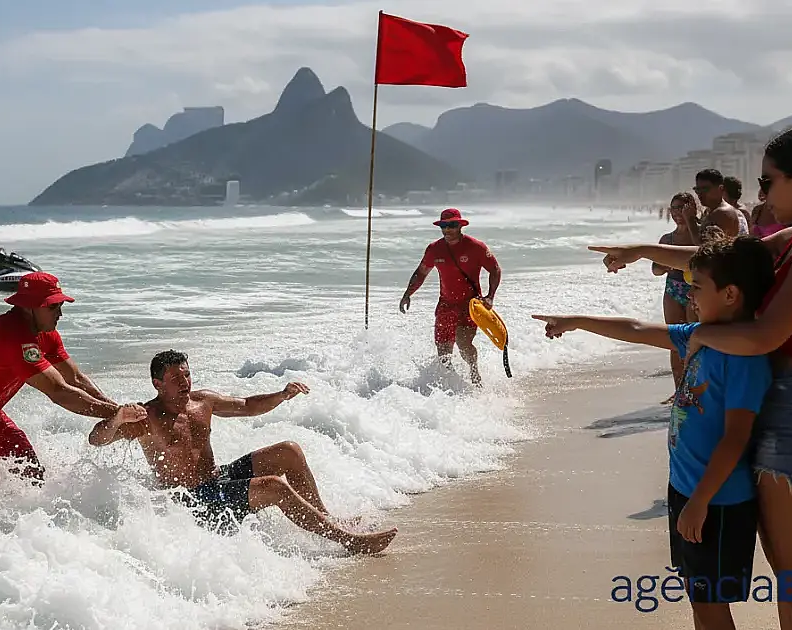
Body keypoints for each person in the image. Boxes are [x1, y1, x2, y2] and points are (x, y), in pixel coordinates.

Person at [587, 125, 792, 630]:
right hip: (789, 412)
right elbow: (723, 265)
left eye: (767, 180)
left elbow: (764, 335)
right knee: (791, 585)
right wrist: (644, 249)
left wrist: (700, 336)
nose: (761, 193)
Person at [534, 236, 775, 629]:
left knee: (712, 605)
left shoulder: (743, 358)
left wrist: (700, 501)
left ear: (730, 294)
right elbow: (636, 327)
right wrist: (577, 321)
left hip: (716, 500)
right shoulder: (700, 335)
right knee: (700, 600)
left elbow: (736, 438)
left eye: (697, 287)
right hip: (686, 488)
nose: (690, 296)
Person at [87, 350, 398, 554]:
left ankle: (328, 521)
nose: (184, 382)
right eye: (175, 378)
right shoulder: (146, 417)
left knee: (288, 451)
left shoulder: (202, 402)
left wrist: (282, 395)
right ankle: (348, 540)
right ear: (157, 384)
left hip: (216, 480)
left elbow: (247, 406)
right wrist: (116, 417)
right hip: (190, 501)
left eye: (187, 374)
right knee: (274, 485)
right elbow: (96, 440)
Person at [0, 271, 144, 487]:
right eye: (53, 306)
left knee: (31, 474)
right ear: (28, 307)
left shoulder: (46, 334)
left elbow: (75, 378)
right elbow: (59, 391)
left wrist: (118, 411)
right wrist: (116, 415)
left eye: (60, 305)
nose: (60, 313)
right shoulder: (12, 336)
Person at [399, 208, 503, 385]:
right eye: (444, 226)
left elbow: (495, 269)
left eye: (452, 225)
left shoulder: (476, 247)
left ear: (460, 226)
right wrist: (408, 294)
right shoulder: (434, 249)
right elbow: (421, 272)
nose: (447, 230)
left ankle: (474, 372)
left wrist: (490, 296)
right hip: (446, 305)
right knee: (443, 352)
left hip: (470, 305)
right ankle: (451, 384)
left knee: (463, 344)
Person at [654, 193, 697, 398]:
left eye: (682, 208)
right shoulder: (667, 239)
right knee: (673, 340)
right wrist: (668, 262)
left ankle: (693, 386)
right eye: (674, 208)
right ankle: (678, 389)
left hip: (694, 291)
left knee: (692, 339)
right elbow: (655, 270)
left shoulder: (697, 234)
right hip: (673, 288)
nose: (677, 213)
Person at [693, 169, 748, 239]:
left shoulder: (723, 212)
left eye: (705, 189)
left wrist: (690, 220)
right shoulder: (710, 211)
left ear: (720, 189)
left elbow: (703, 245)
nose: (700, 194)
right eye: (697, 189)